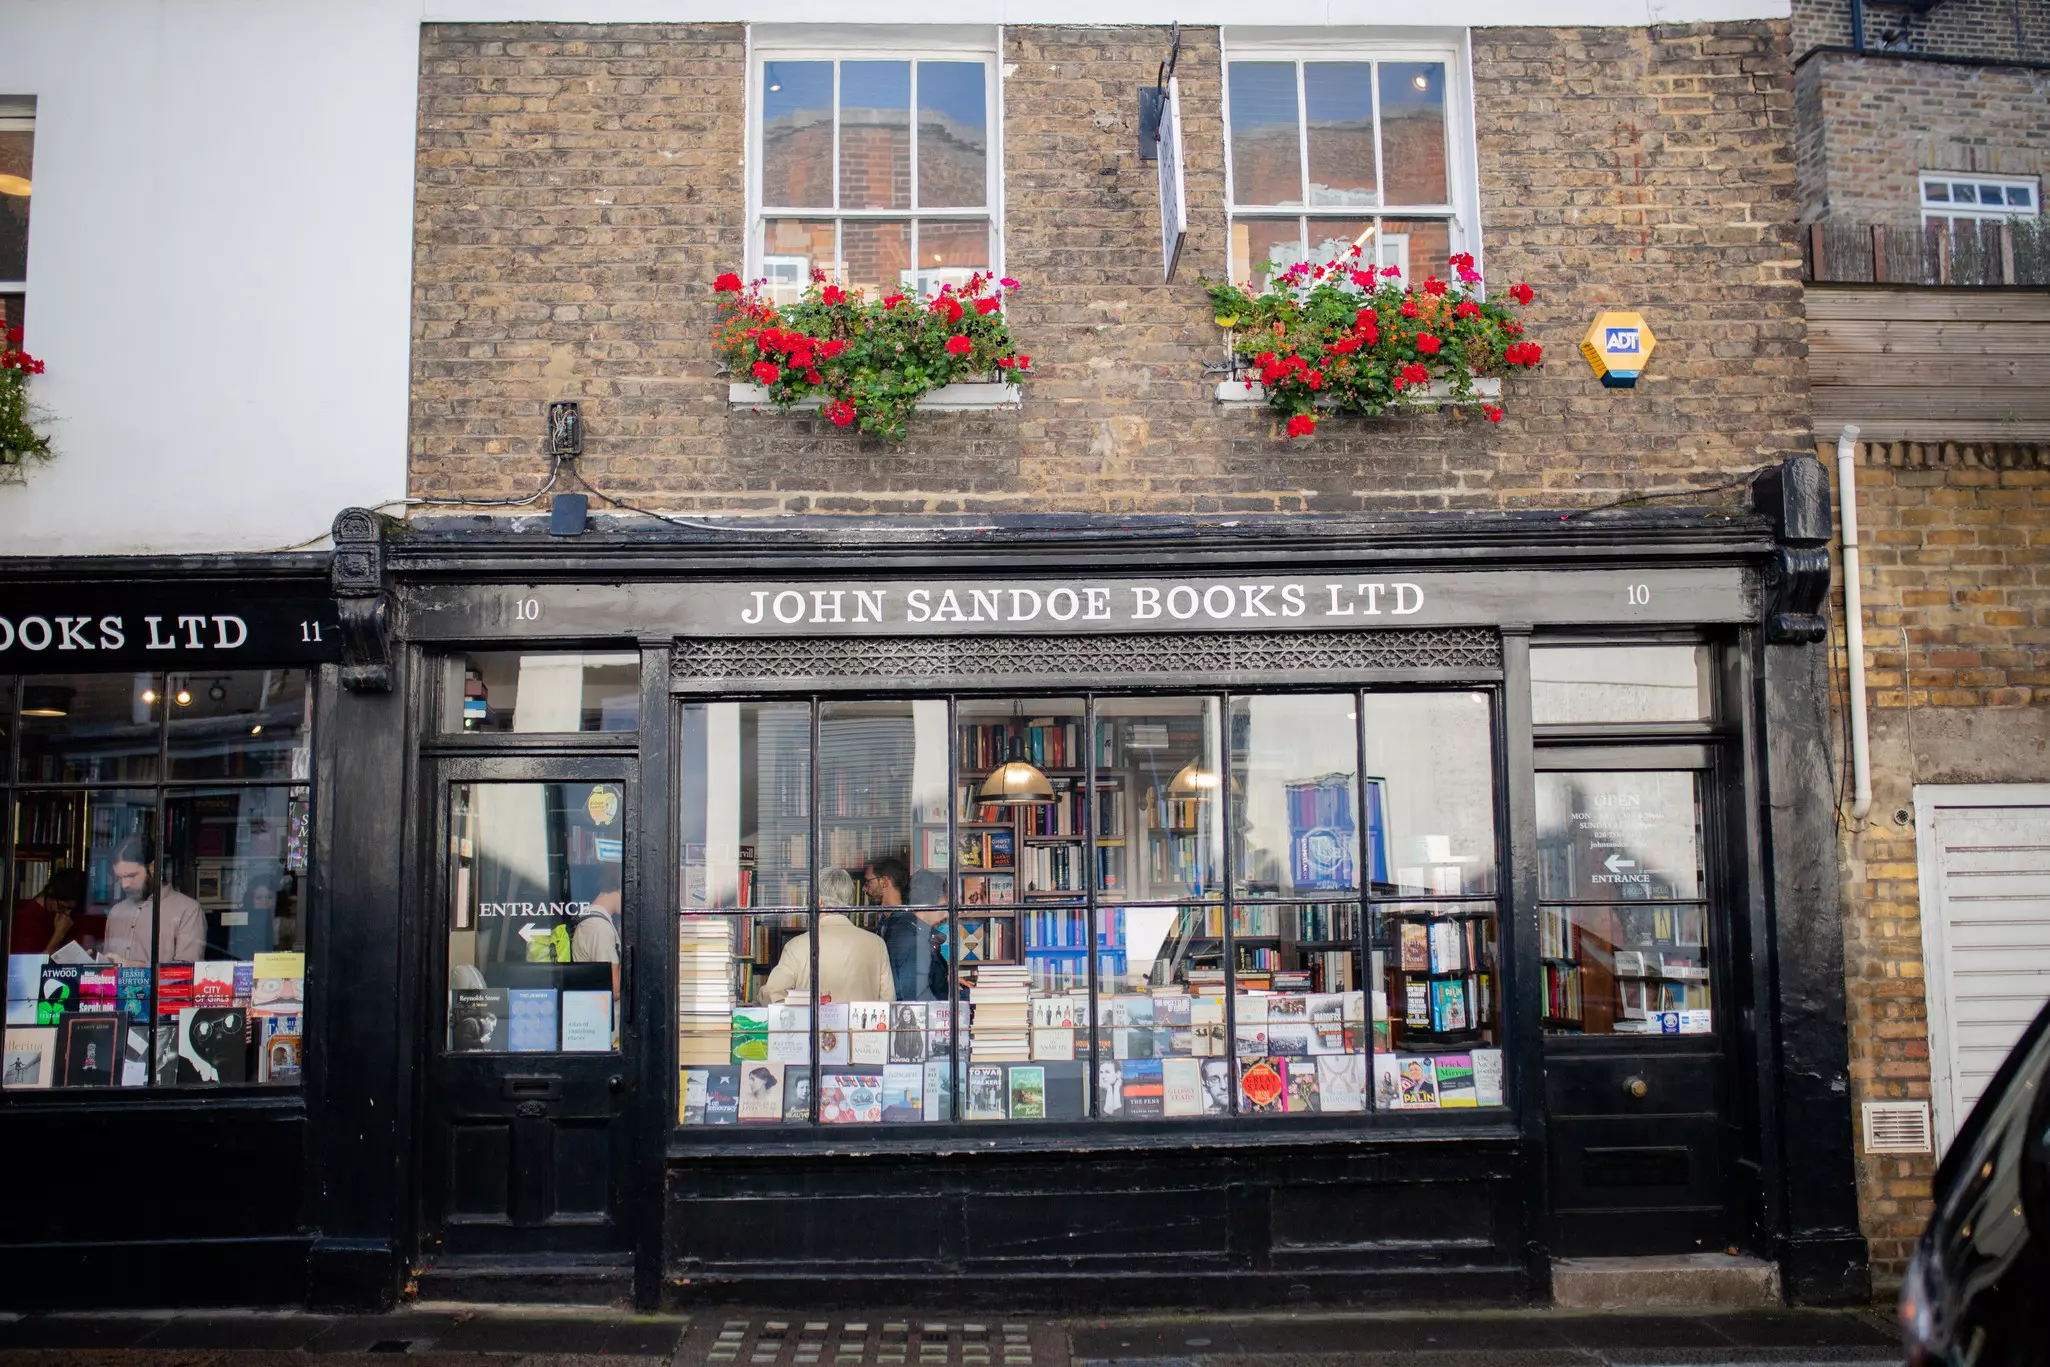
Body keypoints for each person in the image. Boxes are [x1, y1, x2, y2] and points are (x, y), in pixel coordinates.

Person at [763, 869, 894, 1004]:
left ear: (818, 902)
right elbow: (888, 1001)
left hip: (814, 1025)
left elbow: (772, 996)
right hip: (861, 1025)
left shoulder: (796, 946)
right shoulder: (876, 944)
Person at [101, 836, 205, 967]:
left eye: (131, 876)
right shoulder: (116, 911)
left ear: (153, 867)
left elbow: (186, 971)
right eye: (119, 877)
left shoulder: (188, 910)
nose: (124, 885)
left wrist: (129, 965)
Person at [868, 857, 943, 1002]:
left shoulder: (904, 929)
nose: (865, 888)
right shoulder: (889, 925)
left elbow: (912, 987)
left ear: (884, 881)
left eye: (868, 882)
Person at [9, 868, 88, 955]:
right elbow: (31, 965)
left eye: (71, 909)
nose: (66, 913)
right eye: (62, 907)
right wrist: (58, 936)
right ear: (51, 894)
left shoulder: (71, 917)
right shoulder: (27, 918)